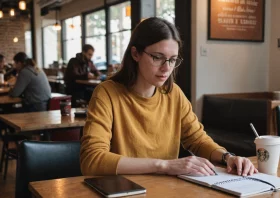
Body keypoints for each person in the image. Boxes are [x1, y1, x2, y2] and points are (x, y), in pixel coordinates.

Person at [80, 17, 258, 177]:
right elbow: (92, 160)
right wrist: (164, 165)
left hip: (168, 189)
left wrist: (228, 157)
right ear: (135, 54)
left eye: (172, 60)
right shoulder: (107, 93)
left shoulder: (174, 94)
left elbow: (197, 139)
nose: (166, 68)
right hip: (124, 189)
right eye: (158, 58)